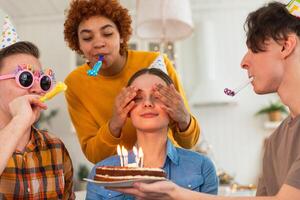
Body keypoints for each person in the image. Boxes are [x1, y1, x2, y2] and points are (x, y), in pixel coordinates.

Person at [111, 1, 300, 200]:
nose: (244, 62)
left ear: (286, 46)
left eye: (254, 49)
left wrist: (174, 192)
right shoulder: (276, 141)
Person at [64, 0, 200, 164]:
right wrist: (115, 123)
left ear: (121, 36)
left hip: (168, 167)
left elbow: (189, 142)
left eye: (107, 34)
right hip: (121, 175)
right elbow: (95, 156)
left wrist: (184, 118)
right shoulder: (74, 83)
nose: (99, 43)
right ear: (78, 44)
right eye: (87, 38)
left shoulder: (157, 62)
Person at [85, 68, 218, 199]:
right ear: (127, 109)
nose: (148, 103)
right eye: (138, 98)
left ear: (174, 107)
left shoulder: (201, 167)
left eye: (157, 96)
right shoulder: (101, 174)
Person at [0, 41, 75, 199]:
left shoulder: (55, 147)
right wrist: (20, 121)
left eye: (43, 81)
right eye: (25, 78)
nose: (36, 89)